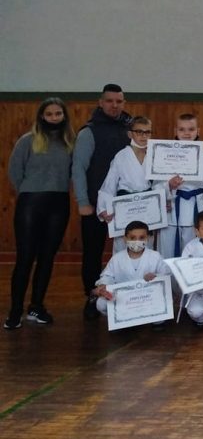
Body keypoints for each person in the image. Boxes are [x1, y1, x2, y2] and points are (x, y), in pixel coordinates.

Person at [5, 98, 75, 330]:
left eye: (58, 114)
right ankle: (15, 311)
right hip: (31, 203)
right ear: (41, 117)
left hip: (59, 203)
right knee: (25, 257)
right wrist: (29, 191)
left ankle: (36, 306)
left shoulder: (70, 142)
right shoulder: (28, 141)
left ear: (64, 116)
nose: (54, 118)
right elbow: (14, 171)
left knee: (47, 257)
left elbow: (74, 172)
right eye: (49, 114)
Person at [72, 83, 132, 320]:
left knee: (129, 251)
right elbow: (78, 169)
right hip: (96, 205)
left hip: (127, 206)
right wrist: (83, 202)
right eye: (109, 101)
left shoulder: (131, 129)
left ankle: (132, 298)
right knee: (93, 253)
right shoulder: (89, 132)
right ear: (100, 102)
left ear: (124, 103)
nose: (114, 105)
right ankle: (92, 295)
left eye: (119, 101)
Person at [158, 113, 203, 259]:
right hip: (172, 211)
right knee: (168, 254)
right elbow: (155, 186)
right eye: (182, 129)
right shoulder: (164, 155)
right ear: (175, 131)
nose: (186, 133)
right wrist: (169, 186)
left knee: (194, 255)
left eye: (191, 129)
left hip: (196, 211)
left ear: (198, 131)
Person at [91, 220, 171, 330]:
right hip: (125, 300)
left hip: (147, 298)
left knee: (161, 315)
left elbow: (167, 274)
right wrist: (104, 286)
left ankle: (155, 321)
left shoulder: (155, 256)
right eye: (132, 238)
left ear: (147, 238)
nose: (137, 241)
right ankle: (119, 320)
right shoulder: (117, 258)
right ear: (125, 239)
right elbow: (107, 276)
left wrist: (156, 277)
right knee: (101, 304)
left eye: (141, 238)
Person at [97, 116, 154, 253]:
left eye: (147, 132)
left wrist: (165, 199)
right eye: (139, 132)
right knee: (123, 244)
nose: (143, 136)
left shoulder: (155, 155)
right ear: (130, 134)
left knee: (147, 244)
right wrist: (104, 207)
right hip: (125, 206)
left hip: (147, 207)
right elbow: (110, 183)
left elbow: (159, 183)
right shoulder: (121, 156)